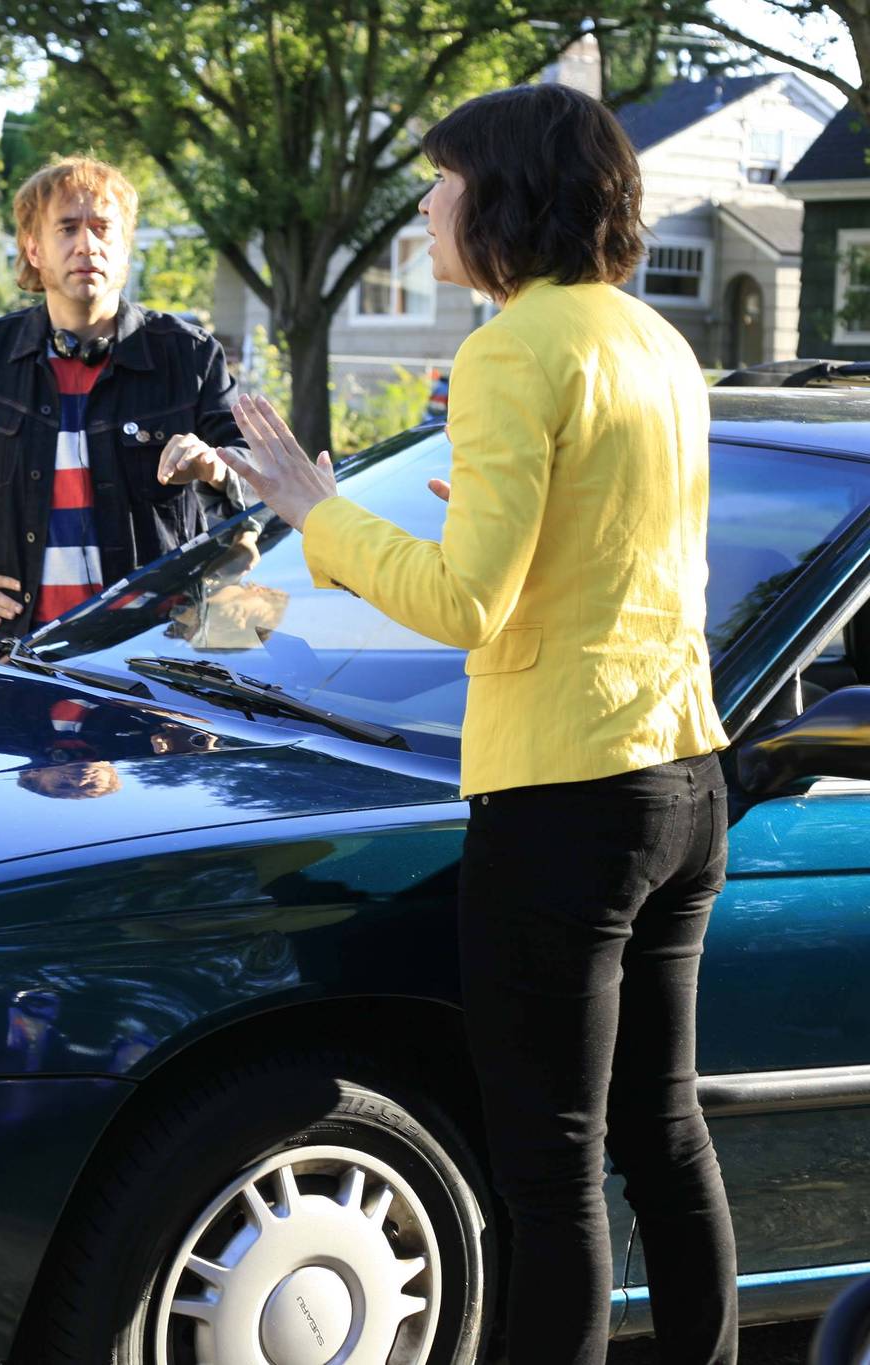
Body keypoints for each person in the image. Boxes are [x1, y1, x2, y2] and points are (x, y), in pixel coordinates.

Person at [222, 83, 737, 1363]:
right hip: (682, 779)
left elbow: (463, 603)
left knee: (547, 1173)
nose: (423, 203)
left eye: (441, 180)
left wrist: (312, 511)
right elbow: (603, 550)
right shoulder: (651, 340)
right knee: (662, 1136)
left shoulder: (512, 349)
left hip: (563, 801)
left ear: (501, 195)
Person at [0, 156, 257, 648]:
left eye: (103, 228)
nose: (87, 244)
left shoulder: (187, 354)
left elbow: (257, 474)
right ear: (34, 248)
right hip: (21, 650)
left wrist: (214, 466)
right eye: (67, 228)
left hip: (155, 647)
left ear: (124, 248)